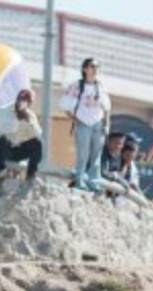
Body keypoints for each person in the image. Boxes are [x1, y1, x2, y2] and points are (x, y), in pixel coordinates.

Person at [59, 57, 110, 191]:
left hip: (98, 123)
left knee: (96, 155)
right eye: (92, 66)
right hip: (83, 123)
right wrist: (76, 120)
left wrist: (106, 124)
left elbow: (106, 106)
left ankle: (94, 181)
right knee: (83, 154)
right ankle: (80, 180)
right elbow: (64, 105)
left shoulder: (101, 86)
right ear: (85, 69)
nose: (95, 70)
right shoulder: (77, 85)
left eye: (97, 67)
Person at [0, 88, 43, 190]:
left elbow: (38, 135)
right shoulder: (2, 111)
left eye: (28, 101)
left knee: (37, 143)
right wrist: (18, 118)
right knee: (4, 139)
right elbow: (5, 130)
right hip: (2, 150)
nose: (24, 102)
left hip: (17, 150)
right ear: (17, 99)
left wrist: (29, 122)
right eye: (22, 99)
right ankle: (2, 174)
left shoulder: (30, 115)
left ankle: (30, 176)